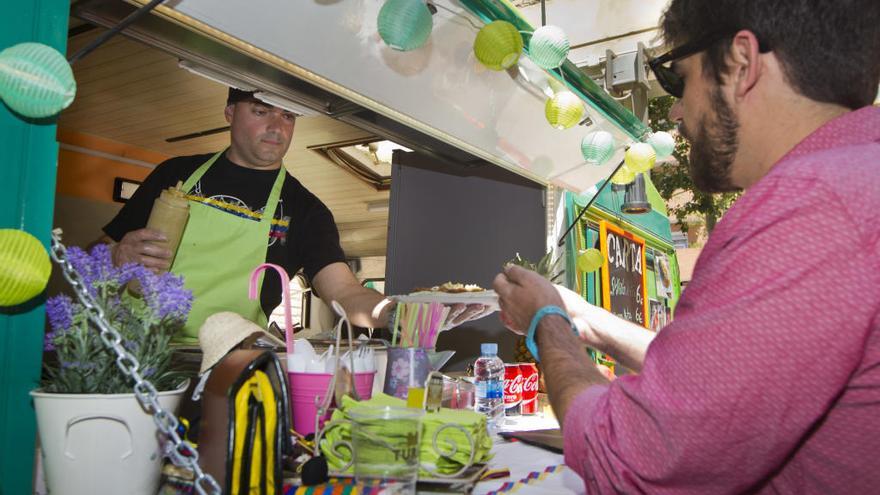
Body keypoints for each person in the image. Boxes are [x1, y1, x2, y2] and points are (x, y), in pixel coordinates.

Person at [494, 0, 880, 493]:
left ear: (741, 63)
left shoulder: (809, 205)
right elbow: (721, 378)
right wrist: (586, 318)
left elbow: (630, 458)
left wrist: (547, 325)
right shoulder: (852, 180)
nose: (676, 110)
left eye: (679, 79)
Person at [99, 89, 485, 343]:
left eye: (287, 115)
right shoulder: (174, 175)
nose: (276, 127)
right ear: (230, 113)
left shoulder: (305, 209)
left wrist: (404, 314)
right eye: (261, 111)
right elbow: (87, 257)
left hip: (229, 365)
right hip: (135, 353)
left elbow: (345, 293)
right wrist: (115, 259)